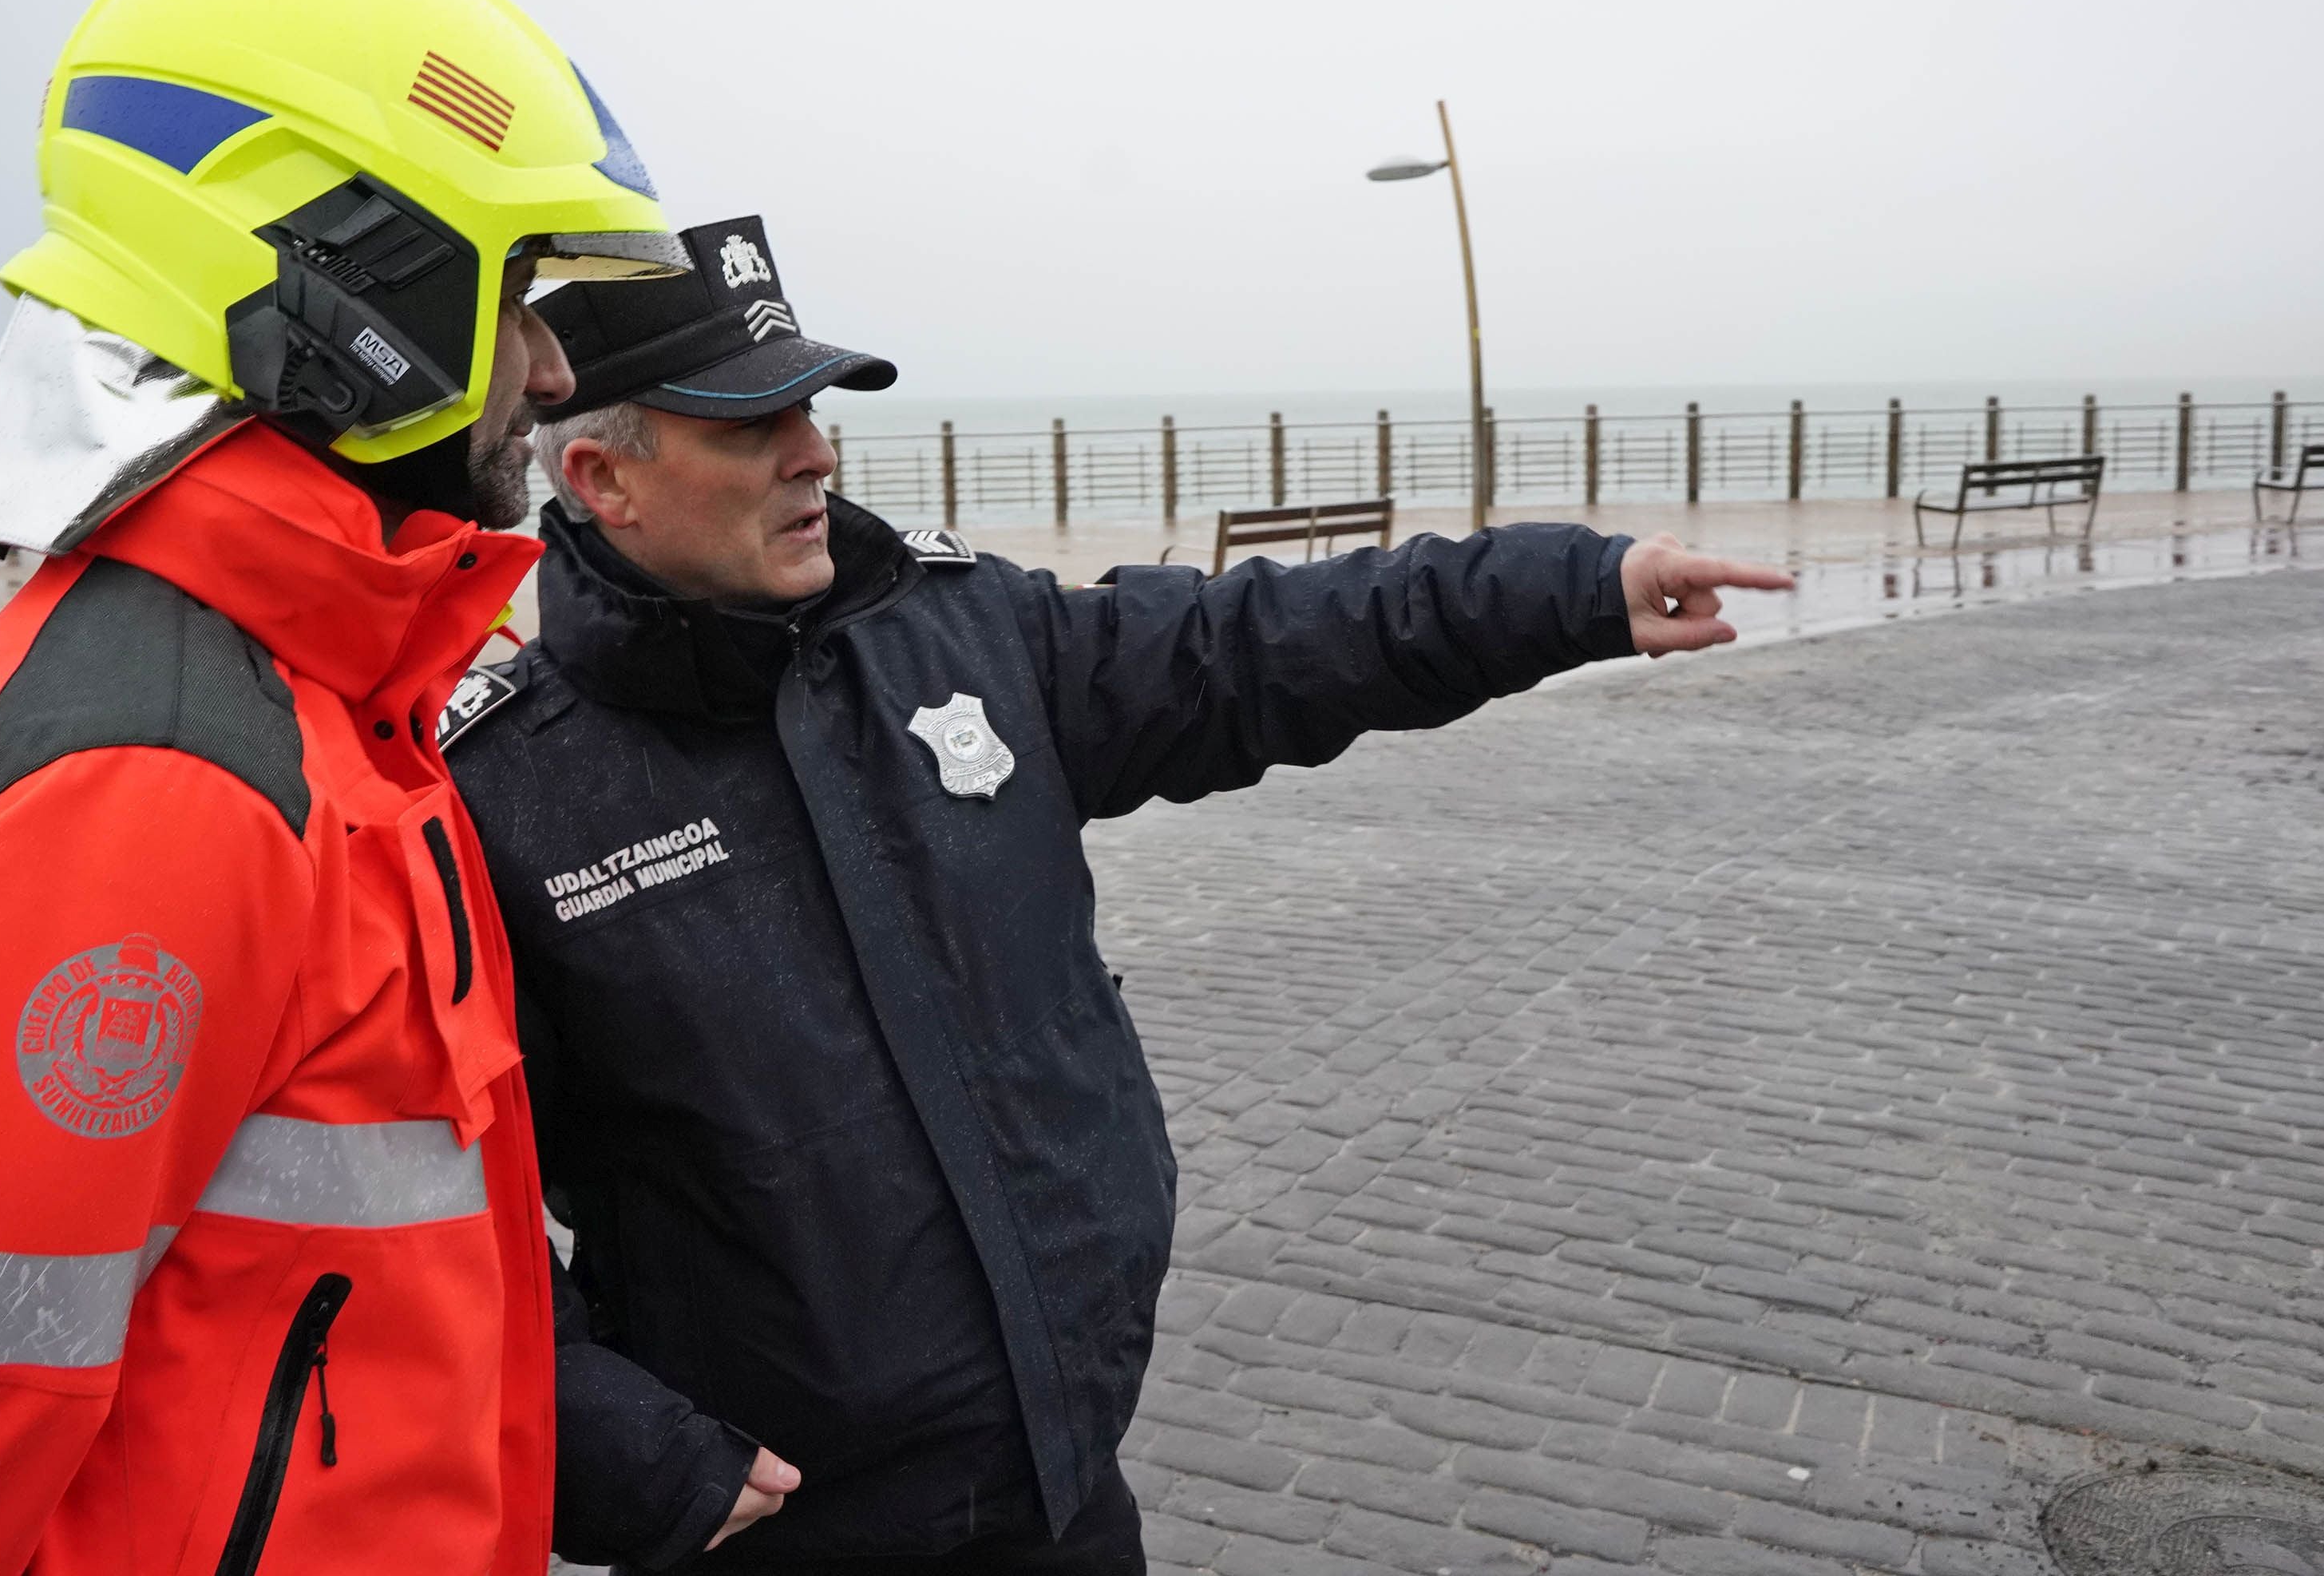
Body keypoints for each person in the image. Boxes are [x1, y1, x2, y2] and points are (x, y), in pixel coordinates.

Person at [437, 215, 1796, 1573]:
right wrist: (617, 1450)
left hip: (1062, 1475)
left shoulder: (962, 631)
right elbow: (430, 1204)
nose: (815, 454)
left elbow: (1252, 645)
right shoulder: (502, 793)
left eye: (809, 408)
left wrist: (1572, 591)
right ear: (606, 477)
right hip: (776, 1521)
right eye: (751, 427)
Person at [0, 0, 689, 1576]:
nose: (550, 364)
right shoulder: (169, 778)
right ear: (362, 282)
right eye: (517, 292)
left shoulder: (315, 693)